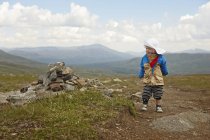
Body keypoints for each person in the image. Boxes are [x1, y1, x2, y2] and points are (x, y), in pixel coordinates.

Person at [139, 38, 168, 113]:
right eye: (146, 48)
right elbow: (142, 67)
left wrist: (165, 72)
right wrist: (141, 74)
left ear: (155, 50)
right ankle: (144, 105)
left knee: (158, 93)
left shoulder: (161, 58)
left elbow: (163, 66)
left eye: (150, 48)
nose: (147, 50)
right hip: (148, 80)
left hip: (157, 80)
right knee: (146, 93)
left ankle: (158, 106)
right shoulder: (144, 58)